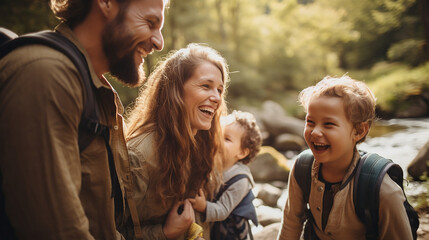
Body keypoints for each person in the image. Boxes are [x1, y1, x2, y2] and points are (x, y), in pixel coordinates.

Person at [0, 0, 166, 239]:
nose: (159, 42)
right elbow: (57, 231)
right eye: (150, 23)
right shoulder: (48, 75)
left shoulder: (97, 91)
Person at [277, 75, 413, 240]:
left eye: (328, 124)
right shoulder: (301, 167)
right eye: (310, 122)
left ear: (358, 131)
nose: (315, 132)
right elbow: (291, 224)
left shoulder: (383, 189)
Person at [121, 43, 230, 240]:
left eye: (220, 90)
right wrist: (165, 233)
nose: (216, 98)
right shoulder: (137, 156)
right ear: (175, 91)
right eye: (206, 86)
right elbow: (107, 231)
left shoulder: (204, 145)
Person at [189, 110, 262, 240]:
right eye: (219, 135)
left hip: (233, 232)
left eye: (227, 139)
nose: (219, 141)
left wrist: (204, 206)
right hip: (216, 228)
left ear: (242, 152)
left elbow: (223, 210)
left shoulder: (241, 179)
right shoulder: (212, 165)